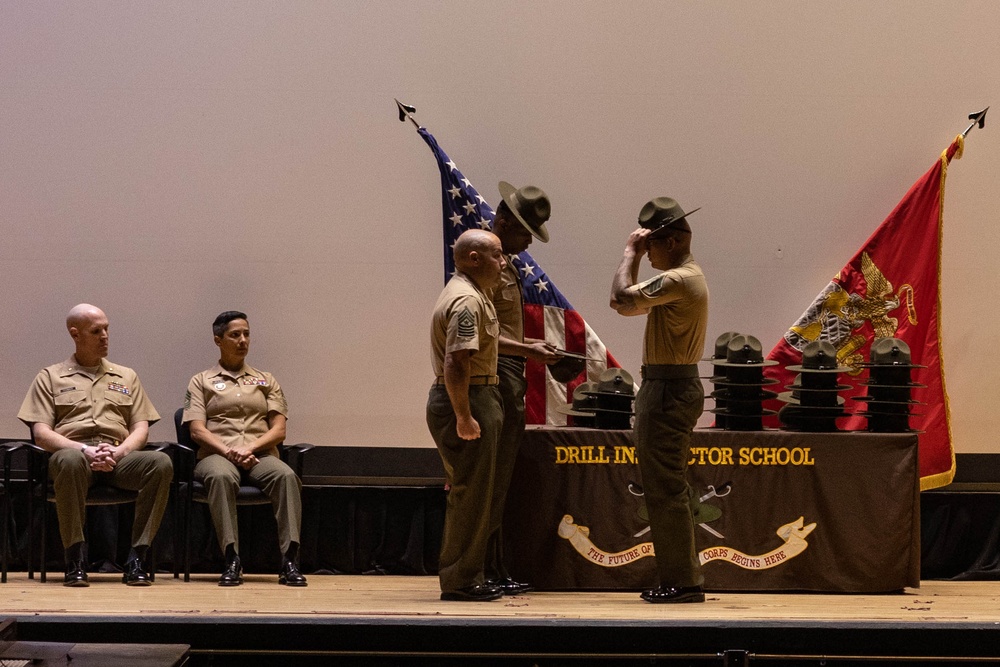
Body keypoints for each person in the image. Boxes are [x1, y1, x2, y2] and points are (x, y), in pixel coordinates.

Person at [18, 304, 172, 587]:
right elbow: (41, 433)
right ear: (75, 334)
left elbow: (141, 427)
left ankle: (137, 557)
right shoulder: (50, 377)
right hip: (74, 458)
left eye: (107, 329)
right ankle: (76, 557)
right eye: (96, 330)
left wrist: (120, 451)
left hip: (118, 456)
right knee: (68, 460)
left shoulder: (126, 376)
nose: (105, 336)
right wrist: (84, 450)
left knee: (160, 463)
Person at [609, 197, 709, 603]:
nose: (646, 251)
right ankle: (681, 577)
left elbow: (620, 300)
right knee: (667, 486)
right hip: (671, 386)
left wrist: (627, 254)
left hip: (668, 390)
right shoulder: (685, 278)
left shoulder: (677, 280)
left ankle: (682, 582)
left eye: (649, 244)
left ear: (668, 242)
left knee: (664, 489)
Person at [181, 311, 306, 587]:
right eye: (235, 335)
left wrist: (248, 448)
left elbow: (278, 429)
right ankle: (232, 558)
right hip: (216, 456)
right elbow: (197, 430)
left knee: (286, 477)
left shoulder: (266, 380)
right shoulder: (201, 381)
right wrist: (230, 452)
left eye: (246, 334)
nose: (243, 340)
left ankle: (289, 560)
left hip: (259, 453)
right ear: (218, 340)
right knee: (221, 477)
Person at [487, 182, 561, 595]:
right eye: (524, 231)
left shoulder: (509, 265)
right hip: (493, 375)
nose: (530, 241)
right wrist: (527, 349)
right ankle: (482, 569)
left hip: (510, 373)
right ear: (503, 222)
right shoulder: (485, 267)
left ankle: (494, 568)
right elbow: (477, 334)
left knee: (501, 481)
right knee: (489, 480)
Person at [427, 229, 506, 602]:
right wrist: (464, 416)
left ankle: (468, 575)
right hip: (467, 396)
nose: (504, 263)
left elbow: (479, 343)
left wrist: (528, 350)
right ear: (474, 258)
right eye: (497, 255)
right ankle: (459, 581)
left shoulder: (473, 295)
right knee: (470, 495)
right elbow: (456, 361)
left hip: (475, 394)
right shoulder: (466, 301)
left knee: (477, 493)